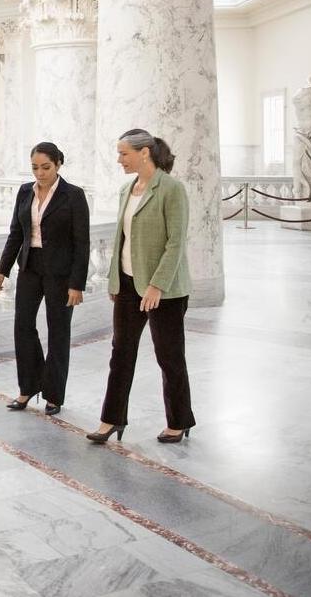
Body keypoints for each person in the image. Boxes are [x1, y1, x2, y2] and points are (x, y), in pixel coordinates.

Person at [87, 129, 196, 445]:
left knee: (169, 356)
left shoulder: (171, 189)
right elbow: (121, 239)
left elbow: (176, 243)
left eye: (124, 153)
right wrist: (114, 279)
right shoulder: (126, 189)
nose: (119, 159)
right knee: (120, 354)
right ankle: (111, 419)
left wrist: (156, 286)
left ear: (144, 152)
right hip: (127, 285)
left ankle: (179, 420)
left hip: (165, 291)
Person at [0, 142, 90, 416]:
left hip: (61, 273)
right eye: (35, 167)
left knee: (58, 332)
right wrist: (3, 268)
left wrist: (76, 284)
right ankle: (28, 386)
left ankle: (54, 394)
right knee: (22, 326)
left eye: (45, 167)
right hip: (29, 268)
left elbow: (82, 243)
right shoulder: (25, 191)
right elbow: (16, 233)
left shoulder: (74, 195)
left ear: (58, 165)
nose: (40, 173)